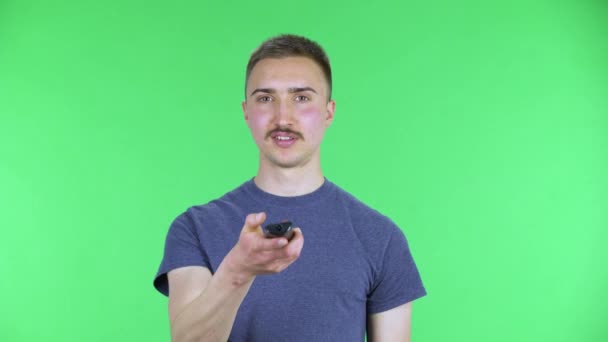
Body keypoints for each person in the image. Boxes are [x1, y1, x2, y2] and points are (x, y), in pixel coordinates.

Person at [153, 34, 427, 342]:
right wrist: (238, 271)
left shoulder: (381, 237)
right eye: (265, 98)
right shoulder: (194, 228)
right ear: (246, 111)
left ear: (329, 111)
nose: (283, 118)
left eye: (302, 98)